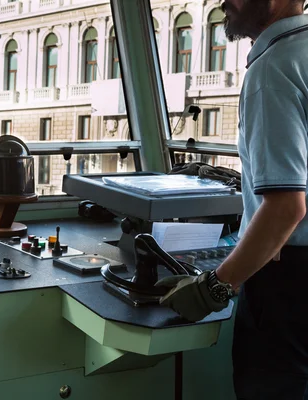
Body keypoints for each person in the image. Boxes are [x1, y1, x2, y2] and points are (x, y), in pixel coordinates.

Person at [157, 0, 308, 398]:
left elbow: (285, 207)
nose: (224, 1)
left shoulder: (274, 69)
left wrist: (216, 286)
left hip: (289, 289)